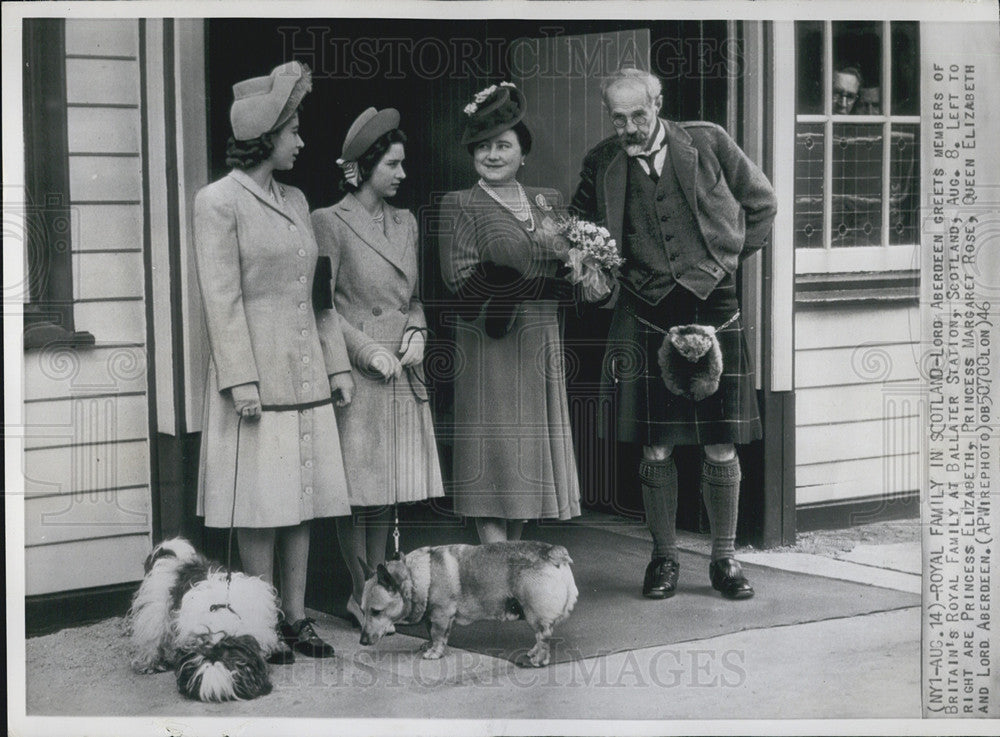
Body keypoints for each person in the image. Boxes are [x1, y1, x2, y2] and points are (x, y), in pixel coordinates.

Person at [571, 68, 777, 601]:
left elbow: (761, 203)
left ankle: (724, 561)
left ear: (658, 103)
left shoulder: (706, 141)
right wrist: (587, 261)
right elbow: (576, 225)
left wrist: (725, 261)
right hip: (645, 310)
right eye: (618, 118)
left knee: (720, 442)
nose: (629, 127)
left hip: (716, 305)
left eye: (639, 114)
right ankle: (663, 559)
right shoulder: (603, 162)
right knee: (656, 444)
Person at [192, 61, 354, 661]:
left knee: (301, 498)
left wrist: (336, 366)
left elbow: (319, 295)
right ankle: (259, 621)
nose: (301, 141)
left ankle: (297, 617)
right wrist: (240, 380)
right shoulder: (217, 202)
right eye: (294, 131)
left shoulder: (296, 197)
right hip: (256, 378)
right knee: (262, 503)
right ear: (267, 136)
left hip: (306, 371)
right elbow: (220, 299)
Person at [312, 108, 444, 626]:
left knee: (388, 493)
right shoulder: (328, 221)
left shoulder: (406, 221)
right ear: (366, 166)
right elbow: (322, 307)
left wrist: (417, 332)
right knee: (361, 495)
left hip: (403, 368)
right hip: (360, 370)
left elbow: (411, 299)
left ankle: (381, 593)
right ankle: (356, 592)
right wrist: (367, 351)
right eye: (392, 164)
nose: (402, 174)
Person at [439, 82, 581, 544]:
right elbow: (460, 281)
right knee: (496, 462)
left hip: (539, 346)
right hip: (489, 350)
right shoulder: (460, 204)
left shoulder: (547, 200)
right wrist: (535, 284)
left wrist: (583, 274)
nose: (493, 155)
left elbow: (570, 266)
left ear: (523, 152)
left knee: (527, 468)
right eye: (483, 147)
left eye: (503, 145)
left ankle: (512, 565)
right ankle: (497, 567)